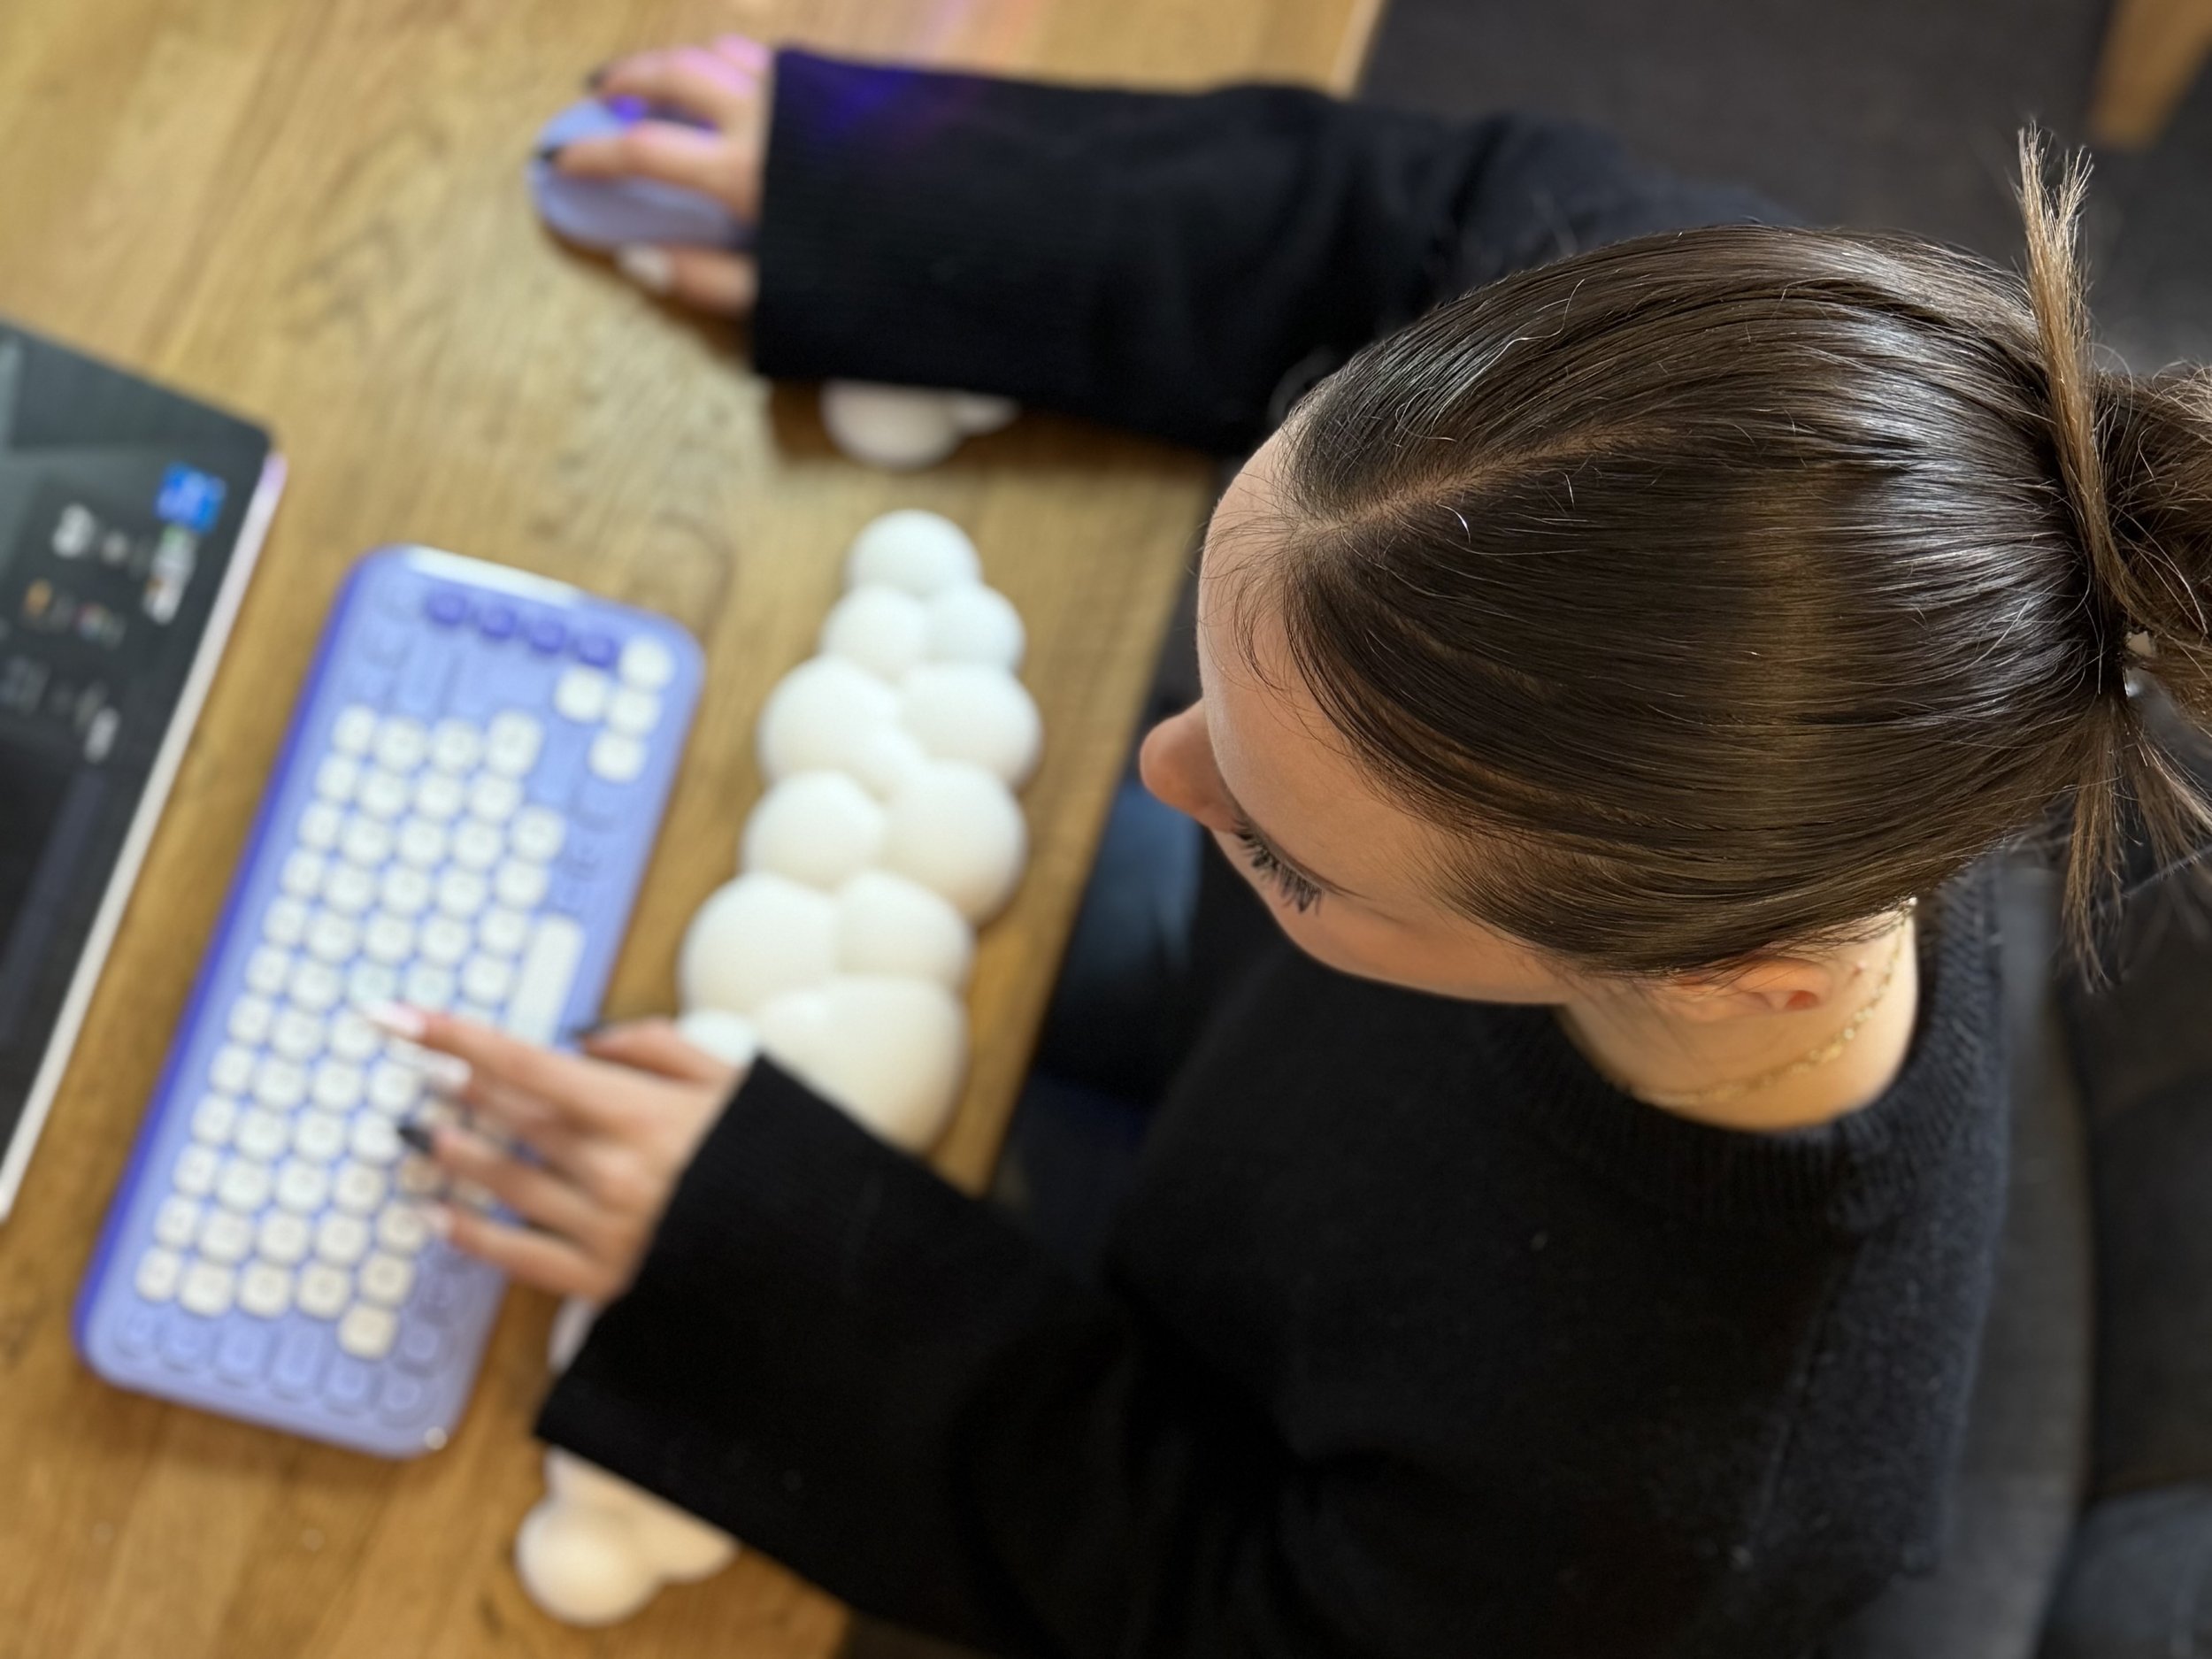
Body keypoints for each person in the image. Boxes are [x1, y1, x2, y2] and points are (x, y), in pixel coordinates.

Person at [371, 36, 2212, 1656]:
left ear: (1738, 979)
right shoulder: (1673, 407)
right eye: (1221, 690)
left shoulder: (1670, 1502)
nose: (1162, 773)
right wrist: (895, 193)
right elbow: (1448, 205)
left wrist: (791, 1267)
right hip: (1246, 1116)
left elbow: (1227, 1596)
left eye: (1291, 849)